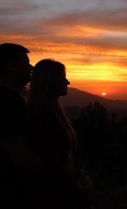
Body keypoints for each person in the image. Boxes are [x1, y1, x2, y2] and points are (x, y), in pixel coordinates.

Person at [27, 59, 93, 209]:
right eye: (63, 77)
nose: (67, 82)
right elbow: (49, 162)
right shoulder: (41, 117)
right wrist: (78, 178)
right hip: (54, 195)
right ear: (50, 80)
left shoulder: (55, 113)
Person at [0, 43, 40, 208]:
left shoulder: (13, 100)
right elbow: (21, 157)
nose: (31, 67)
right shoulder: (7, 102)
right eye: (26, 63)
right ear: (10, 66)